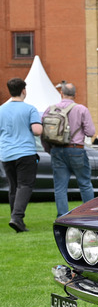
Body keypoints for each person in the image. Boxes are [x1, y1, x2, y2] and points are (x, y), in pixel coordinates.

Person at [42, 82, 96, 217]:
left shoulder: (50, 109)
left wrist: (49, 150)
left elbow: (44, 134)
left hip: (57, 150)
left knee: (60, 187)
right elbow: (90, 132)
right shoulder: (81, 109)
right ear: (75, 94)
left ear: (61, 93)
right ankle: (88, 215)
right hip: (76, 149)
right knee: (85, 184)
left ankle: (62, 217)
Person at [0, 78, 42, 232]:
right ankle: (17, 217)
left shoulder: (1, 109)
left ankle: (17, 220)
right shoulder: (30, 109)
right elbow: (37, 130)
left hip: (6, 153)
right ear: (24, 90)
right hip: (25, 152)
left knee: (13, 187)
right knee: (25, 185)